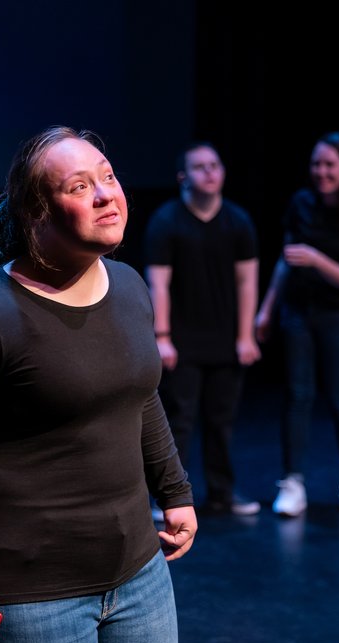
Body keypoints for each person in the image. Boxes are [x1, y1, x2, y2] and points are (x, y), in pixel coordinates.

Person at [0, 126, 198, 643]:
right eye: (80, 186)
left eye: (107, 177)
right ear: (38, 213)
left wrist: (174, 490)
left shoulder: (129, 286)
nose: (107, 194)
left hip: (139, 579)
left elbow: (139, 392)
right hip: (30, 600)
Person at [255, 131, 339, 517]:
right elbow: (286, 260)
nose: (322, 171)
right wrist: (266, 309)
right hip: (299, 313)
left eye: (330, 164)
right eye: (317, 164)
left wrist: (316, 257)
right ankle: (292, 482)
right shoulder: (302, 204)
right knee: (297, 396)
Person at [143, 142, 262, 516]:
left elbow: (247, 281)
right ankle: (168, 500)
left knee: (222, 422)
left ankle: (223, 493)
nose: (209, 172)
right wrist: (162, 336)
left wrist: (246, 335)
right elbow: (157, 282)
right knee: (179, 422)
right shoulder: (167, 221)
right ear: (184, 177)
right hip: (183, 339)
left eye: (215, 165)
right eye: (200, 167)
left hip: (226, 339)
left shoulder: (238, 221)